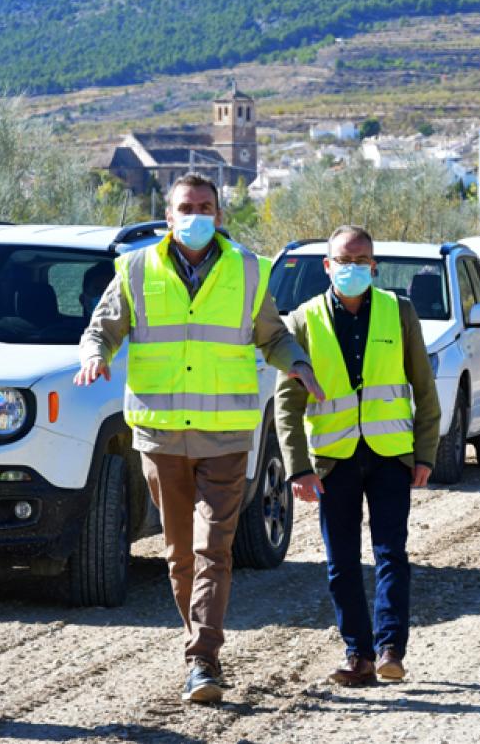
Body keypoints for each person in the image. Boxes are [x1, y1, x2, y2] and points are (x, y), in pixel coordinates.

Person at [75, 172, 321, 704]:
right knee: (179, 554)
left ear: (220, 214)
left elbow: (272, 335)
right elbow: (103, 326)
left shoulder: (248, 270)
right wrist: (95, 355)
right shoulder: (137, 268)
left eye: (206, 205)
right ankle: (199, 645)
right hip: (161, 437)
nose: (197, 214)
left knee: (215, 549)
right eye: (187, 206)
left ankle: (202, 658)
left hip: (225, 437)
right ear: (168, 216)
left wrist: (296, 363)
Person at [275, 225, 440, 687]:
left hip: (390, 455)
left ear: (375, 266)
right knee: (341, 561)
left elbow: (424, 390)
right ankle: (358, 655)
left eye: (361, 260)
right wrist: (298, 469)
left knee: (391, 554)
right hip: (333, 460)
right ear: (327, 266)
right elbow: (286, 406)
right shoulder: (303, 321)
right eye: (343, 261)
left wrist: (424, 453)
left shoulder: (398, 311)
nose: (352, 269)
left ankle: (390, 649)